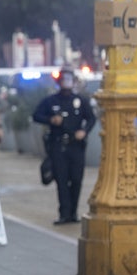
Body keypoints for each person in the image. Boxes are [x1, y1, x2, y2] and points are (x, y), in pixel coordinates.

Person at [32, 67, 96, 225]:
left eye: (69, 80)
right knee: (61, 180)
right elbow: (36, 115)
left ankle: (73, 212)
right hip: (58, 145)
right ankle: (64, 213)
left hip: (76, 145)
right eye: (63, 80)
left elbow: (91, 118)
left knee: (76, 179)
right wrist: (51, 120)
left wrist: (84, 131)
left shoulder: (80, 101)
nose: (66, 83)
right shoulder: (51, 101)